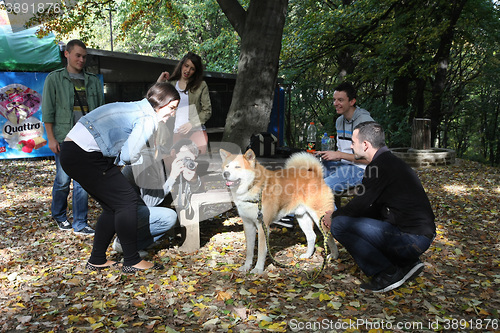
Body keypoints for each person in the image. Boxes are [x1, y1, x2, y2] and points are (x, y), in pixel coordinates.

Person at [59, 82, 180, 273]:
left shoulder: (136, 106)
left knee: (113, 207)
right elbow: (128, 156)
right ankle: (132, 260)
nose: (172, 114)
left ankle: (97, 259)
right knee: (127, 202)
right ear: (161, 103)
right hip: (85, 155)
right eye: (172, 108)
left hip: (73, 152)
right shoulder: (148, 118)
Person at [323, 122, 436, 293]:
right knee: (353, 219)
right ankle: (407, 263)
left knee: (340, 225)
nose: (351, 146)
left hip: (412, 239)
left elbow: (359, 205)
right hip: (419, 236)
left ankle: (386, 273)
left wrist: (334, 216)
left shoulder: (378, 167)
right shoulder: (390, 162)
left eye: (353, 142)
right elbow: (371, 207)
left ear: (366, 144)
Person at [42, 39, 104, 235]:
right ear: (67, 54)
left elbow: (100, 113)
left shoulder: (93, 80)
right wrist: (51, 138)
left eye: (84, 56)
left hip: (86, 139)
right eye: (78, 55)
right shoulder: (54, 78)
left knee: (82, 182)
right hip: (63, 137)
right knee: (62, 180)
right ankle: (59, 215)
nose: (81, 59)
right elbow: (48, 111)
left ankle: (80, 223)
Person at [113, 139, 203, 255]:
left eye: (190, 160)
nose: (186, 162)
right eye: (184, 158)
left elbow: (196, 192)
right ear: (173, 153)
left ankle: (135, 243)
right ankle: (124, 243)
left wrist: (194, 179)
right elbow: (149, 201)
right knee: (169, 217)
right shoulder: (149, 162)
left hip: (137, 207)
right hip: (122, 209)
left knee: (174, 216)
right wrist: (172, 177)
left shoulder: (175, 165)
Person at [316, 82, 373, 193]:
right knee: (308, 176)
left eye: (340, 100)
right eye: (334, 100)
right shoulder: (339, 121)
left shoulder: (365, 122)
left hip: (361, 170)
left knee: (322, 188)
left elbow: (371, 159)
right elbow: (342, 152)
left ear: (352, 101)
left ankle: (334, 211)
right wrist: (327, 155)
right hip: (343, 165)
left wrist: (340, 155)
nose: (335, 103)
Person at [157, 52, 212, 155]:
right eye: (186, 66)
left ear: (195, 71)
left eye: (192, 69)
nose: (188, 70)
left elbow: (207, 111)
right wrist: (160, 81)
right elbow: (156, 98)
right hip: (178, 131)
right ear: (181, 65)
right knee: (179, 161)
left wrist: (192, 124)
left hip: (196, 130)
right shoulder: (172, 84)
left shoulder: (201, 85)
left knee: (192, 158)